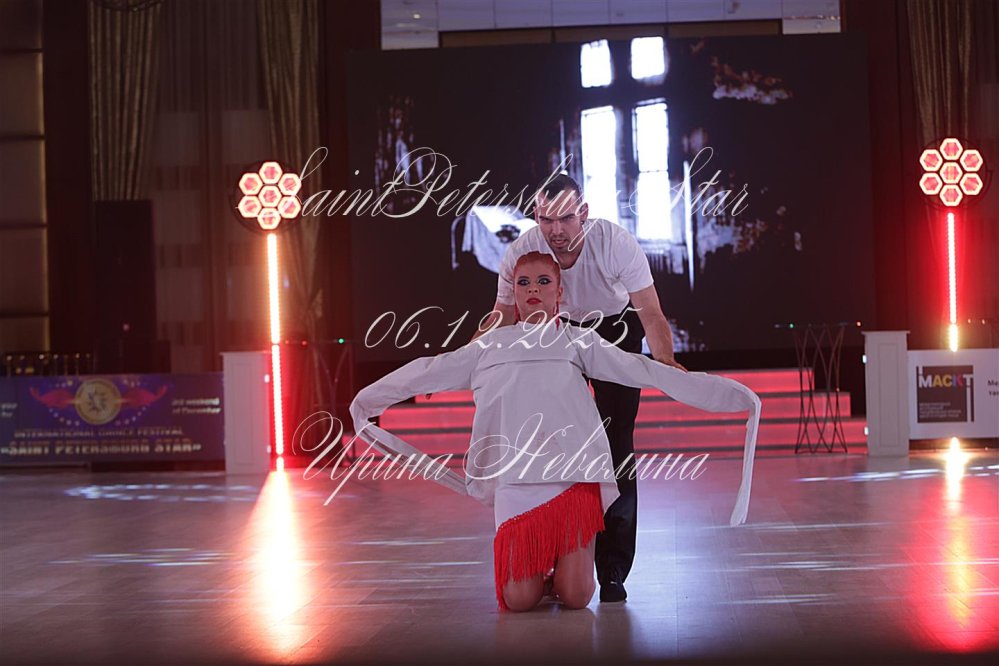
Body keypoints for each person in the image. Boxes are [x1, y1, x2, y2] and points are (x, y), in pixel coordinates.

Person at [351, 252, 762, 613]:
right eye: (523, 282)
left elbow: (639, 369)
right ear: (512, 293)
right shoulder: (488, 347)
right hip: (515, 481)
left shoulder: (576, 340)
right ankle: (540, 574)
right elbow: (429, 370)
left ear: (559, 293)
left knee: (577, 595)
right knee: (519, 600)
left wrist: (720, 391)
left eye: (543, 281)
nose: (533, 289)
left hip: (572, 478)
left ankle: (563, 572)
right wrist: (367, 401)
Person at [472, 173, 681, 602]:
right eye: (547, 219)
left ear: (583, 213)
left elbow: (651, 312)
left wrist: (665, 363)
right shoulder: (523, 250)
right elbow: (502, 315)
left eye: (566, 218)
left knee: (616, 447)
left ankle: (613, 570)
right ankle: (556, 555)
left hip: (614, 330)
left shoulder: (615, 243)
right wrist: (464, 359)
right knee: (553, 440)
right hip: (555, 333)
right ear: (536, 216)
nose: (556, 230)